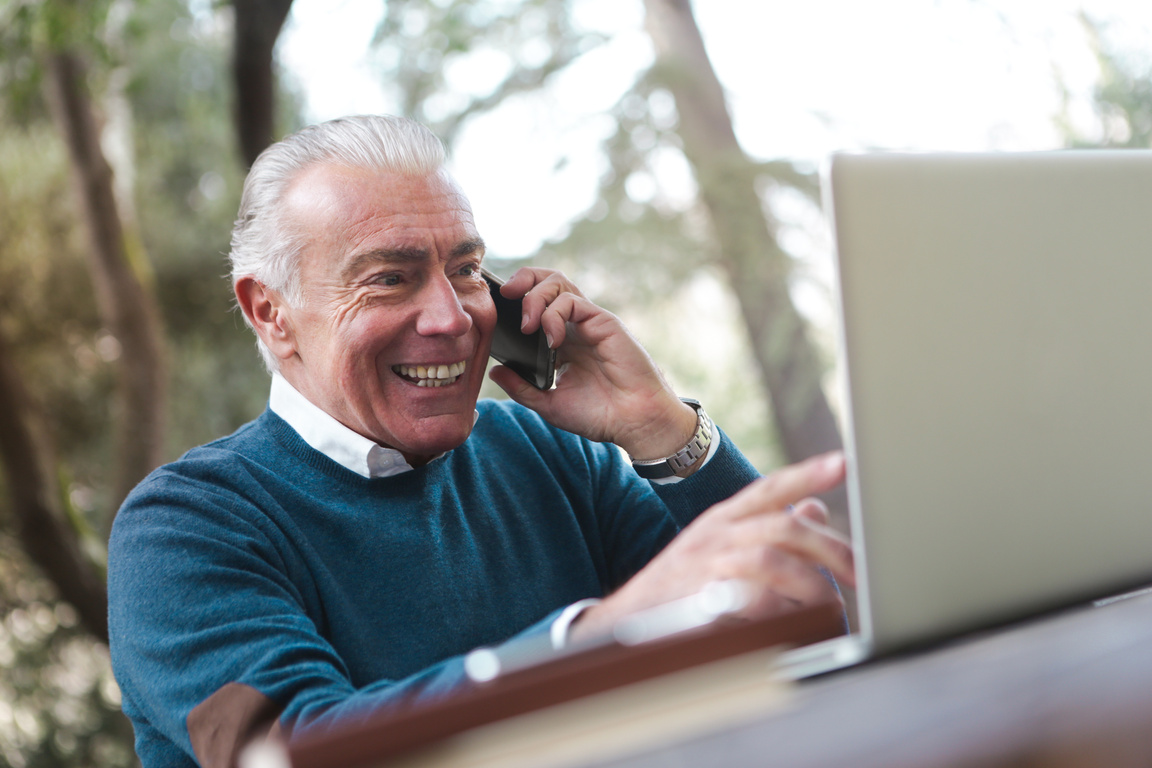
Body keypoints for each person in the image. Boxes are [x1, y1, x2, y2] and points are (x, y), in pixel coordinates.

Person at [107, 115, 853, 768]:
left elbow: (806, 627)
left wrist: (659, 428)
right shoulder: (181, 529)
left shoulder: (549, 453)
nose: (452, 318)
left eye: (464, 268)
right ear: (270, 311)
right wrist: (597, 635)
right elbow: (291, 750)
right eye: (391, 278)